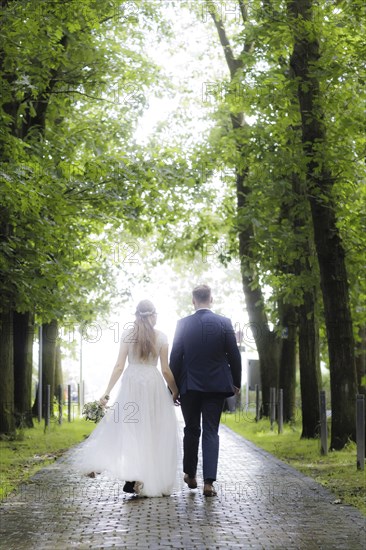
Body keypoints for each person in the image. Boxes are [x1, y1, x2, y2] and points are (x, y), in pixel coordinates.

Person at [71, 299, 180, 497]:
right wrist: (174, 390)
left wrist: (106, 393)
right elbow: (165, 369)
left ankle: (123, 471)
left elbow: (119, 366)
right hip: (153, 385)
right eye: (156, 314)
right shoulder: (162, 337)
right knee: (153, 432)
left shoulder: (128, 336)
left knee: (129, 430)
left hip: (132, 384)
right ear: (153, 315)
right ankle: (142, 478)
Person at [170, 285, 242, 497]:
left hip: (190, 386)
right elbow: (234, 356)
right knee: (211, 431)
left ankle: (190, 474)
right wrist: (236, 382)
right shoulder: (224, 323)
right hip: (216, 385)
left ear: (193, 301)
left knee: (191, 429)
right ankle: (208, 483)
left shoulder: (183, 324)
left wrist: (173, 388)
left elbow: (175, 357)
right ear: (211, 299)